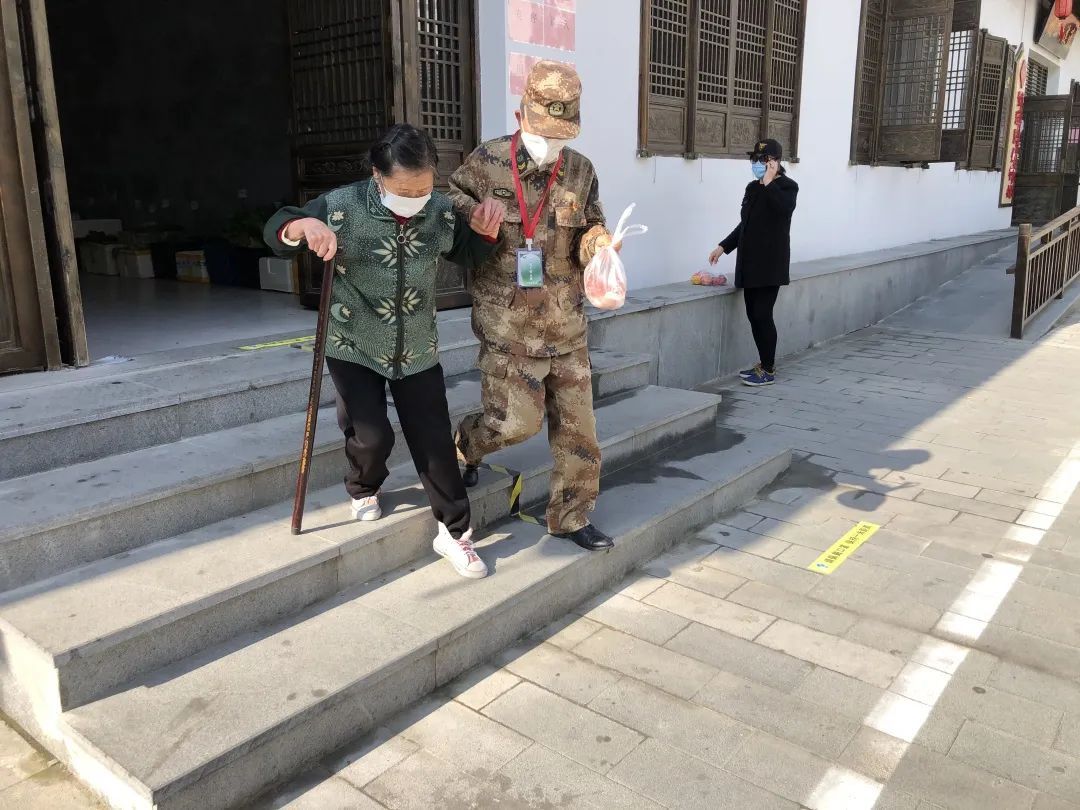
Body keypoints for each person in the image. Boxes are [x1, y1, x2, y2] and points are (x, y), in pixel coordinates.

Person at [263, 124, 505, 579]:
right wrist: (303, 225)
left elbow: (468, 254)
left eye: (423, 189)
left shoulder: (440, 210)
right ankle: (363, 486)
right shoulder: (342, 205)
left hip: (416, 346)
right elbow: (277, 230)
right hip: (353, 343)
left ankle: (455, 532)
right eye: (404, 190)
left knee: (434, 440)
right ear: (377, 175)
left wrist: (485, 233)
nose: (415, 199)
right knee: (371, 436)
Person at [448, 60, 618, 552]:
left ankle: (570, 517)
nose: (551, 145)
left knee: (579, 433)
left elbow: (590, 225)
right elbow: (449, 201)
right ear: (521, 116)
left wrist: (600, 246)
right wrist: (474, 217)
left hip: (566, 323)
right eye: (543, 133)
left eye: (561, 136)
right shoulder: (488, 160)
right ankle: (465, 445)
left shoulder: (581, 169)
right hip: (508, 324)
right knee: (514, 424)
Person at [709, 138, 798, 387]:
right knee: (753, 315)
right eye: (754, 159)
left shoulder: (788, 187)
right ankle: (763, 363)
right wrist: (723, 247)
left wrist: (769, 182)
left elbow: (783, 211)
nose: (756, 163)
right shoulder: (752, 188)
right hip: (749, 263)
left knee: (762, 314)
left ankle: (768, 369)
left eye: (762, 159)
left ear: (775, 162)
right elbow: (745, 224)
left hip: (770, 264)